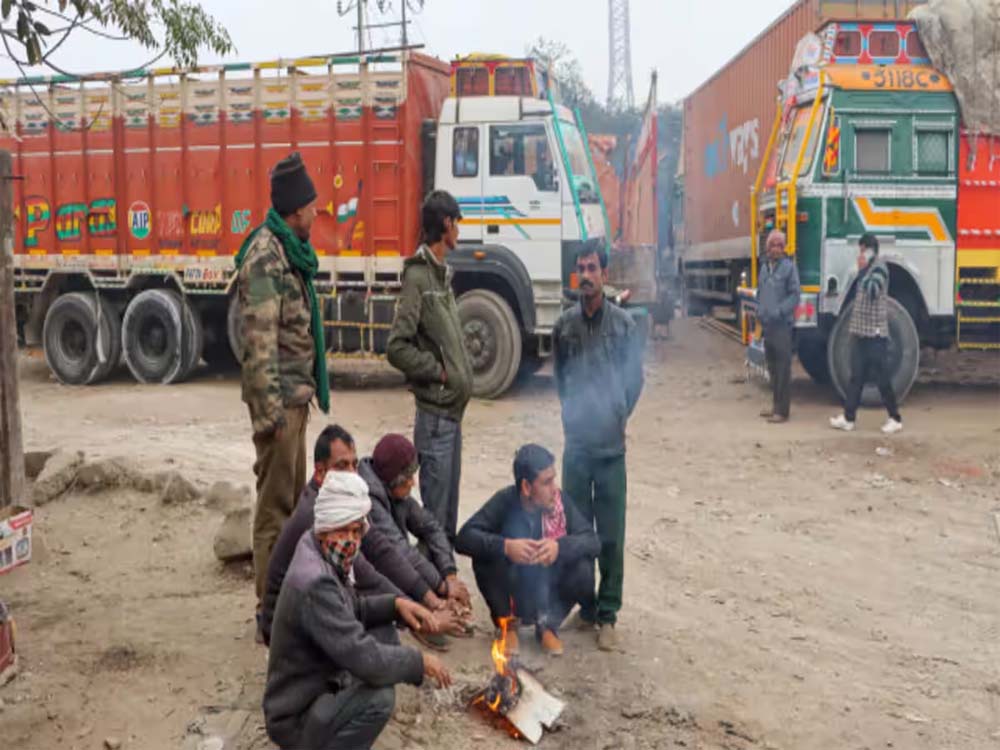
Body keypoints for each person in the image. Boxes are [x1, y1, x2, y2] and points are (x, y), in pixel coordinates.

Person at [263, 471, 452, 750]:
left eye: (356, 531)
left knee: (384, 630)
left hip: (316, 686)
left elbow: (352, 607)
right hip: (295, 717)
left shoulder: (317, 548)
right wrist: (419, 662)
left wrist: (396, 606)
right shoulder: (316, 581)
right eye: (342, 530)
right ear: (325, 528)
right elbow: (365, 658)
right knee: (378, 700)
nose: (350, 540)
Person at [235, 152, 331, 612]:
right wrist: (271, 416)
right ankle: (268, 610)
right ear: (296, 211)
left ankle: (290, 602)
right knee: (275, 511)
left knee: (295, 509)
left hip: (296, 401)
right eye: (312, 206)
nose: (317, 212)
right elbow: (258, 345)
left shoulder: (291, 254)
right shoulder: (265, 259)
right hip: (279, 410)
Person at [260, 426, 458, 646]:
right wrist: (417, 612)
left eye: (354, 465)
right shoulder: (320, 512)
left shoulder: (347, 500)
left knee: (382, 617)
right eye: (341, 466)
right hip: (287, 625)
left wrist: (430, 600)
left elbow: (381, 550)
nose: (351, 473)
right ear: (320, 472)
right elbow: (366, 573)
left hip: (315, 602)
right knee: (378, 628)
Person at [551, 249, 644, 652]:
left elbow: (634, 379)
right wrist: (571, 413)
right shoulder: (564, 325)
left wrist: (619, 414)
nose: (586, 276)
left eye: (593, 269)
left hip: (610, 449)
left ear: (605, 274)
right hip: (577, 448)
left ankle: (607, 614)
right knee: (576, 533)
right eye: (581, 269)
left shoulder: (624, 325)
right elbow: (559, 376)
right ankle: (584, 607)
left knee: (610, 534)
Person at [455, 444, 599, 657]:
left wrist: (560, 547)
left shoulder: (560, 504)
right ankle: (507, 626)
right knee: (485, 554)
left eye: (553, 479)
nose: (554, 489)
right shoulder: (504, 501)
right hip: (514, 591)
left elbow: (593, 541)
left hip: (547, 592)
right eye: (546, 482)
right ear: (526, 487)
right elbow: (464, 538)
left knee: (584, 567)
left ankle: (547, 626)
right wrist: (505, 546)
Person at [387, 190, 473, 543]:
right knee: (435, 521)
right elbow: (396, 346)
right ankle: (434, 589)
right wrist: (438, 373)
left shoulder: (441, 278)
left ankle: (444, 580)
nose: (459, 230)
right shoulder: (418, 279)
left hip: (451, 416)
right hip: (435, 419)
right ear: (446, 223)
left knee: (446, 519)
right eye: (457, 222)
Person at [359, 434, 472, 612]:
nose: (413, 483)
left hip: (400, 565)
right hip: (375, 574)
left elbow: (431, 528)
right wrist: (441, 587)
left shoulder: (395, 490)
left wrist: (450, 576)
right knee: (407, 563)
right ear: (393, 479)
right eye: (408, 477)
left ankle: (437, 604)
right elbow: (398, 552)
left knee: (431, 546)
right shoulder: (370, 499)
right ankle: (427, 610)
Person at [830, 233, 903, 434]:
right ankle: (848, 418)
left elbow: (873, 291)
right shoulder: (868, 269)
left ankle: (895, 418)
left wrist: (862, 272)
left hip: (875, 334)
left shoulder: (879, 268)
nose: (860, 253)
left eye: (862, 249)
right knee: (856, 376)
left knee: (882, 377)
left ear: (870, 250)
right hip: (861, 332)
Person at [756, 229, 800, 424]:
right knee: (772, 367)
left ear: (783, 248)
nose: (776, 249)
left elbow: (795, 295)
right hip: (768, 324)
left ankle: (783, 412)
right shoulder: (765, 268)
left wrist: (780, 311)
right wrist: (760, 311)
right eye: (773, 245)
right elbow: (761, 292)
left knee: (783, 369)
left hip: (782, 325)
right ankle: (775, 406)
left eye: (779, 246)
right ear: (768, 248)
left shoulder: (789, 268)